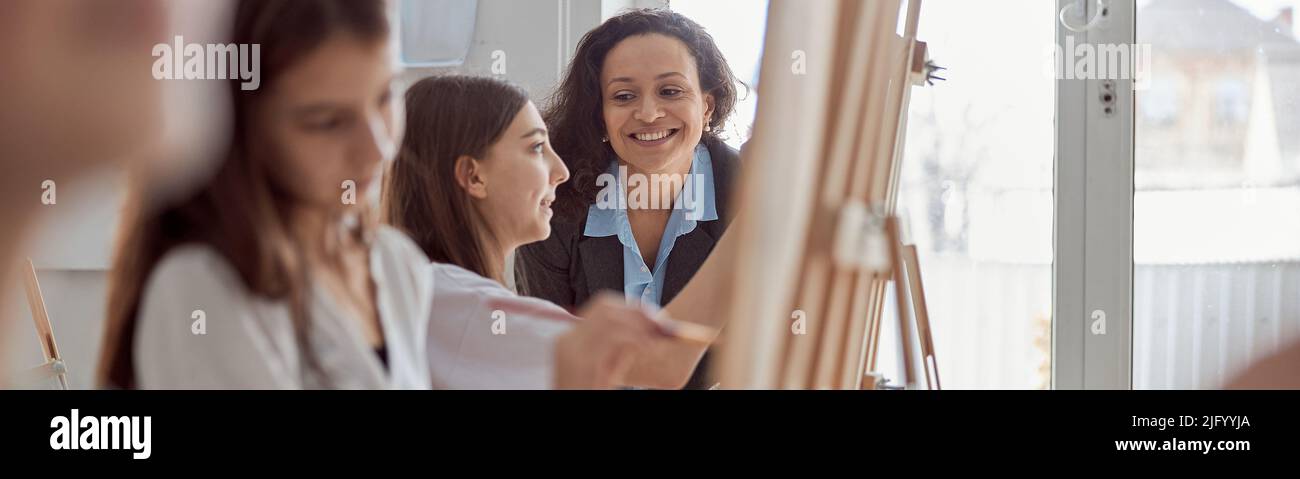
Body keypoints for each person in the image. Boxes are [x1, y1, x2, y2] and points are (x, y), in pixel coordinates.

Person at [98, 0, 659, 390]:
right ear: (245, 134)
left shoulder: (394, 267)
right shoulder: (203, 287)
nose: (376, 149)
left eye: (383, 101)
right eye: (325, 121)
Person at [515, 9, 744, 388]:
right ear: (600, 115)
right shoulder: (555, 200)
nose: (649, 113)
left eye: (670, 91)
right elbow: (549, 358)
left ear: (706, 105)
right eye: (624, 96)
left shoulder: (747, 195)